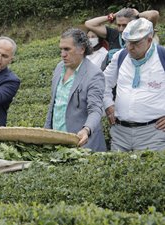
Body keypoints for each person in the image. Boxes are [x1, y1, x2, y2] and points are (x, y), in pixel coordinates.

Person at [103, 18, 165, 151]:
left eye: (135, 43)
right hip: (120, 132)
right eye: (127, 42)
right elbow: (103, 83)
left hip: (153, 133)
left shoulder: (162, 56)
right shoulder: (120, 56)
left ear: (149, 40)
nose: (129, 47)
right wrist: (108, 105)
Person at [44, 28, 107, 151]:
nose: (63, 54)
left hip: (81, 143)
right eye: (61, 49)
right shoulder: (59, 67)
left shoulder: (94, 74)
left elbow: (95, 109)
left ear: (82, 49)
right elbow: (54, 104)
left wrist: (86, 130)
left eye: (67, 49)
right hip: (57, 142)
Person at [85, 8, 159, 63]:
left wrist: (137, 16)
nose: (121, 29)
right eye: (118, 25)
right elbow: (89, 24)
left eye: (124, 25)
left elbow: (154, 14)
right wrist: (113, 16)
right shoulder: (113, 34)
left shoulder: (140, 34)